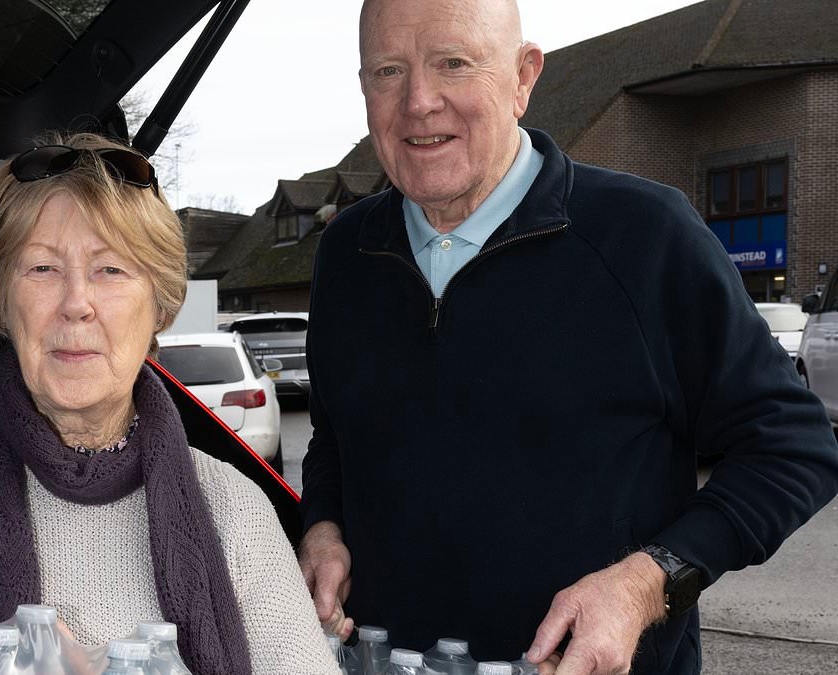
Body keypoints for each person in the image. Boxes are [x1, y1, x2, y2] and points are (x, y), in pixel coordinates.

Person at [297, 1, 838, 674]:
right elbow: (333, 441)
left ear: (524, 77)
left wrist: (647, 583)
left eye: (453, 64)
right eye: (388, 70)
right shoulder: (346, 255)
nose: (419, 101)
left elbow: (795, 447)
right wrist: (321, 526)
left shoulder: (645, 238)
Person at [0, 132, 339, 675]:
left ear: (160, 305)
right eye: (41, 268)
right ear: (3, 305)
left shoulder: (236, 510)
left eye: (111, 269)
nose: (76, 304)